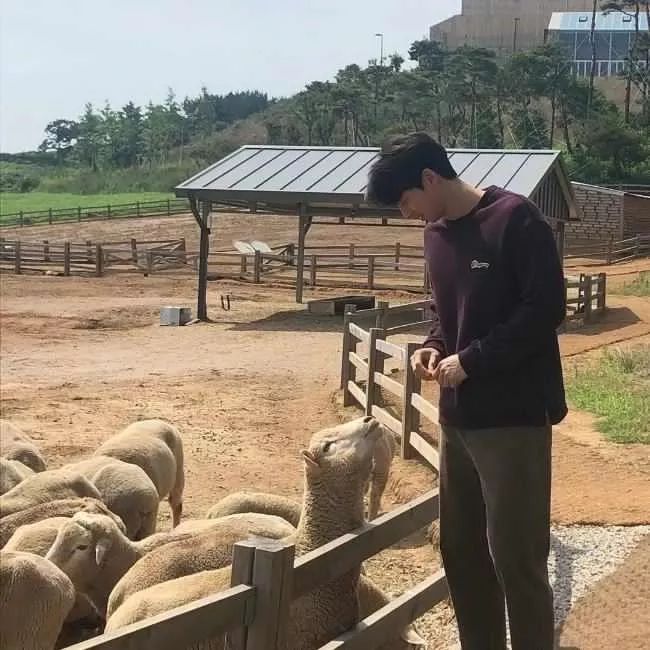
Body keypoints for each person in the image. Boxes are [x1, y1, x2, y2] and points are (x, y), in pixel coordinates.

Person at [366, 133, 567, 650]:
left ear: (431, 178)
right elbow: (443, 312)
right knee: (462, 553)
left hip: (513, 418)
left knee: (516, 558)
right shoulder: (436, 234)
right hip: (457, 418)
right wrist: (433, 345)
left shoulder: (516, 220)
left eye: (407, 200)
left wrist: (473, 359)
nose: (408, 213)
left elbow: (544, 310)